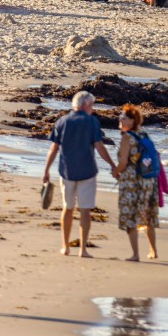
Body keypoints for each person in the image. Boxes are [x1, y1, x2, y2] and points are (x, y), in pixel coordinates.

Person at [41, 91, 116, 258]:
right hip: (87, 172)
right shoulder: (91, 122)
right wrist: (112, 165)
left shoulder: (62, 121)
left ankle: (65, 246)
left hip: (66, 171)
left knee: (68, 208)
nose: (93, 109)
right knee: (84, 210)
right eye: (92, 105)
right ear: (85, 106)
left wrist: (46, 170)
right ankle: (83, 249)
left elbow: (53, 149)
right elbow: (99, 146)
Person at [113, 104, 160, 262]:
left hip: (131, 182)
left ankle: (135, 254)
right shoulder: (144, 135)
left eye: (124, 117)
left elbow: (123, 162)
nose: (120, 119)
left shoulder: (127, 137)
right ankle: (153, 250)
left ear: (132, 121)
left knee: (130, 217)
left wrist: (115, 171)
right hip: (148, 180)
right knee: (148, 216)